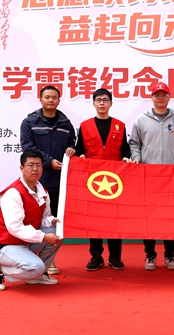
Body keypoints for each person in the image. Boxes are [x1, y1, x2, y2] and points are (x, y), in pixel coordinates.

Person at [129, 82, 174, 271]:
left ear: (169, 97)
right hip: (149, 177)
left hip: (171, 177)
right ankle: (150, 255)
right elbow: (134, 143)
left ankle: (170, 255)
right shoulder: (142, 119)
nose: (160, 98)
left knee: (170, 217)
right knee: (149, 217)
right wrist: (137, 157)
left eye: (164, 94)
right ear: (151, 97)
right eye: (157, 95)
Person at [0, 149, 63, 290]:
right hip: (3, 246)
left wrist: (52, 221)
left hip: (24, 242)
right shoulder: (13, 193)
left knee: (57, 231)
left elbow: (44, 218)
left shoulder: (43, 191)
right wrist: (44, 237)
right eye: (31, 165)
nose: (35, 169)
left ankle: (38, 275)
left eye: (39, 165)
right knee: (35, 267)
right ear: (21, 168)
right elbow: (15, 227)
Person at [20, 86, 76, 275]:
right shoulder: (29, 122)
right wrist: (48, 161)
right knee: (33, 220)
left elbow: (72, 143)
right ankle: (27, 257)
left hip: (60, 182)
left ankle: (49, 260)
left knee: (54, 222)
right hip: (37, 181)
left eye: (54, 97)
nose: (50, 100)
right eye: (47, 97)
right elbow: (28, 147)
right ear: (40, 99)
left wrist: (71, 150)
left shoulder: (66, 123)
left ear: (59, 100)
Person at [75, 88, 132, 271]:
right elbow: (78, 148)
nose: (102, 103)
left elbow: (125, 148)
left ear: (111, 103)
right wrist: (80, 155)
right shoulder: (85, 126)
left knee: (115, 218)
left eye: (105, 100)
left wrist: (126, 157)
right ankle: (96, 255)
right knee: (94, 218)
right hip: (93, 180)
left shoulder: (119, 125)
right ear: (93, 103)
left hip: (115, 180)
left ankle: (115, 256)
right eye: (98, 100)